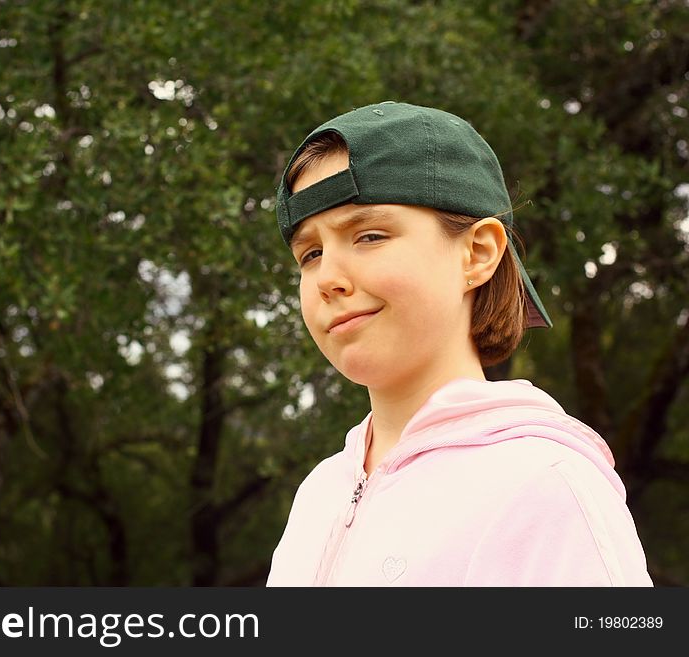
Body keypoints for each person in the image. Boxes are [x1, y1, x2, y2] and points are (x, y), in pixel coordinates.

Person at [266, 101, 653, 586]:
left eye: (368, 235)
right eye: (311, 253)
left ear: (477, 253)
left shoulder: (546, 484)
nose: (328, 278)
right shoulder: (319, 493)